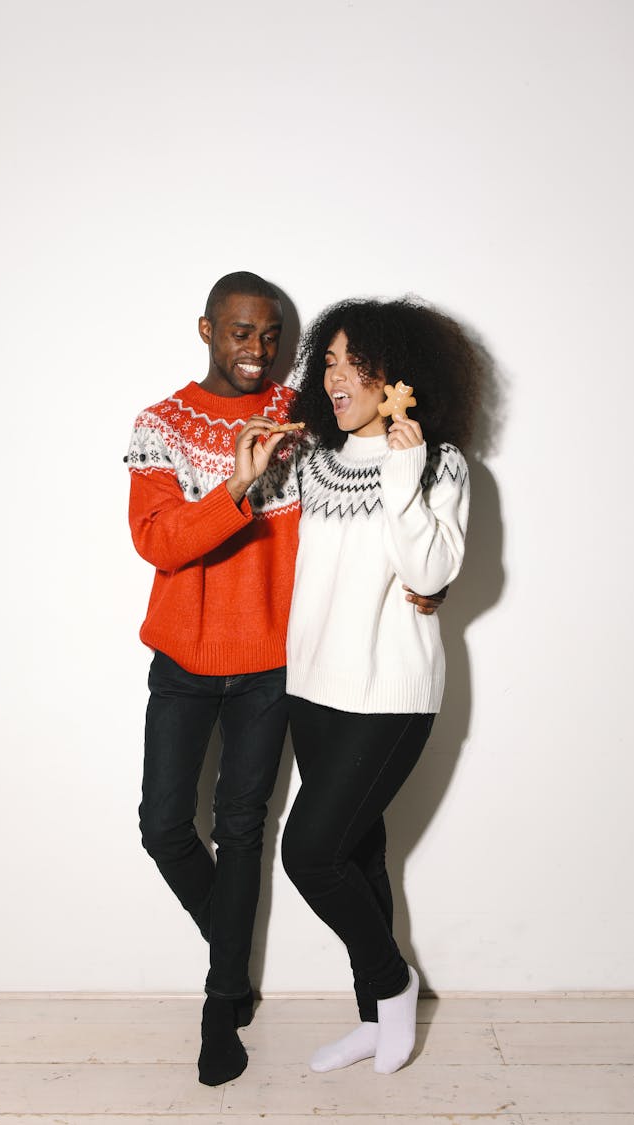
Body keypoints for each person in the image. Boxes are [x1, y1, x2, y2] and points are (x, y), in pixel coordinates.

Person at [125, 273, 442, 1087]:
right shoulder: (161, 425)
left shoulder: (307, 428)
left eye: (271, 338)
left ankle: (221, 999)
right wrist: (235, 487)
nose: (256, 351)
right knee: (164, 825)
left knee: (242, 831)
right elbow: (159, 542)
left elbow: (367, 507)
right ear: (205, 328)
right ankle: (230, 941)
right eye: (239, 332)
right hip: (184, 662)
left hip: (272, 668)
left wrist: (431, 579)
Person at [277, 297, 480, 1075]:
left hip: (390, 695)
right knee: (357, 855)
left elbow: (430, 571)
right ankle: (373, 1017)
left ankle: (394, 987)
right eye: (326, 360)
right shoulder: (315, 459)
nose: (333, 375)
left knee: (309, 852)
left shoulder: (440, 462)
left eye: (351, 360)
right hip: (314, 688)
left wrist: (404, 463)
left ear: (397, 374)